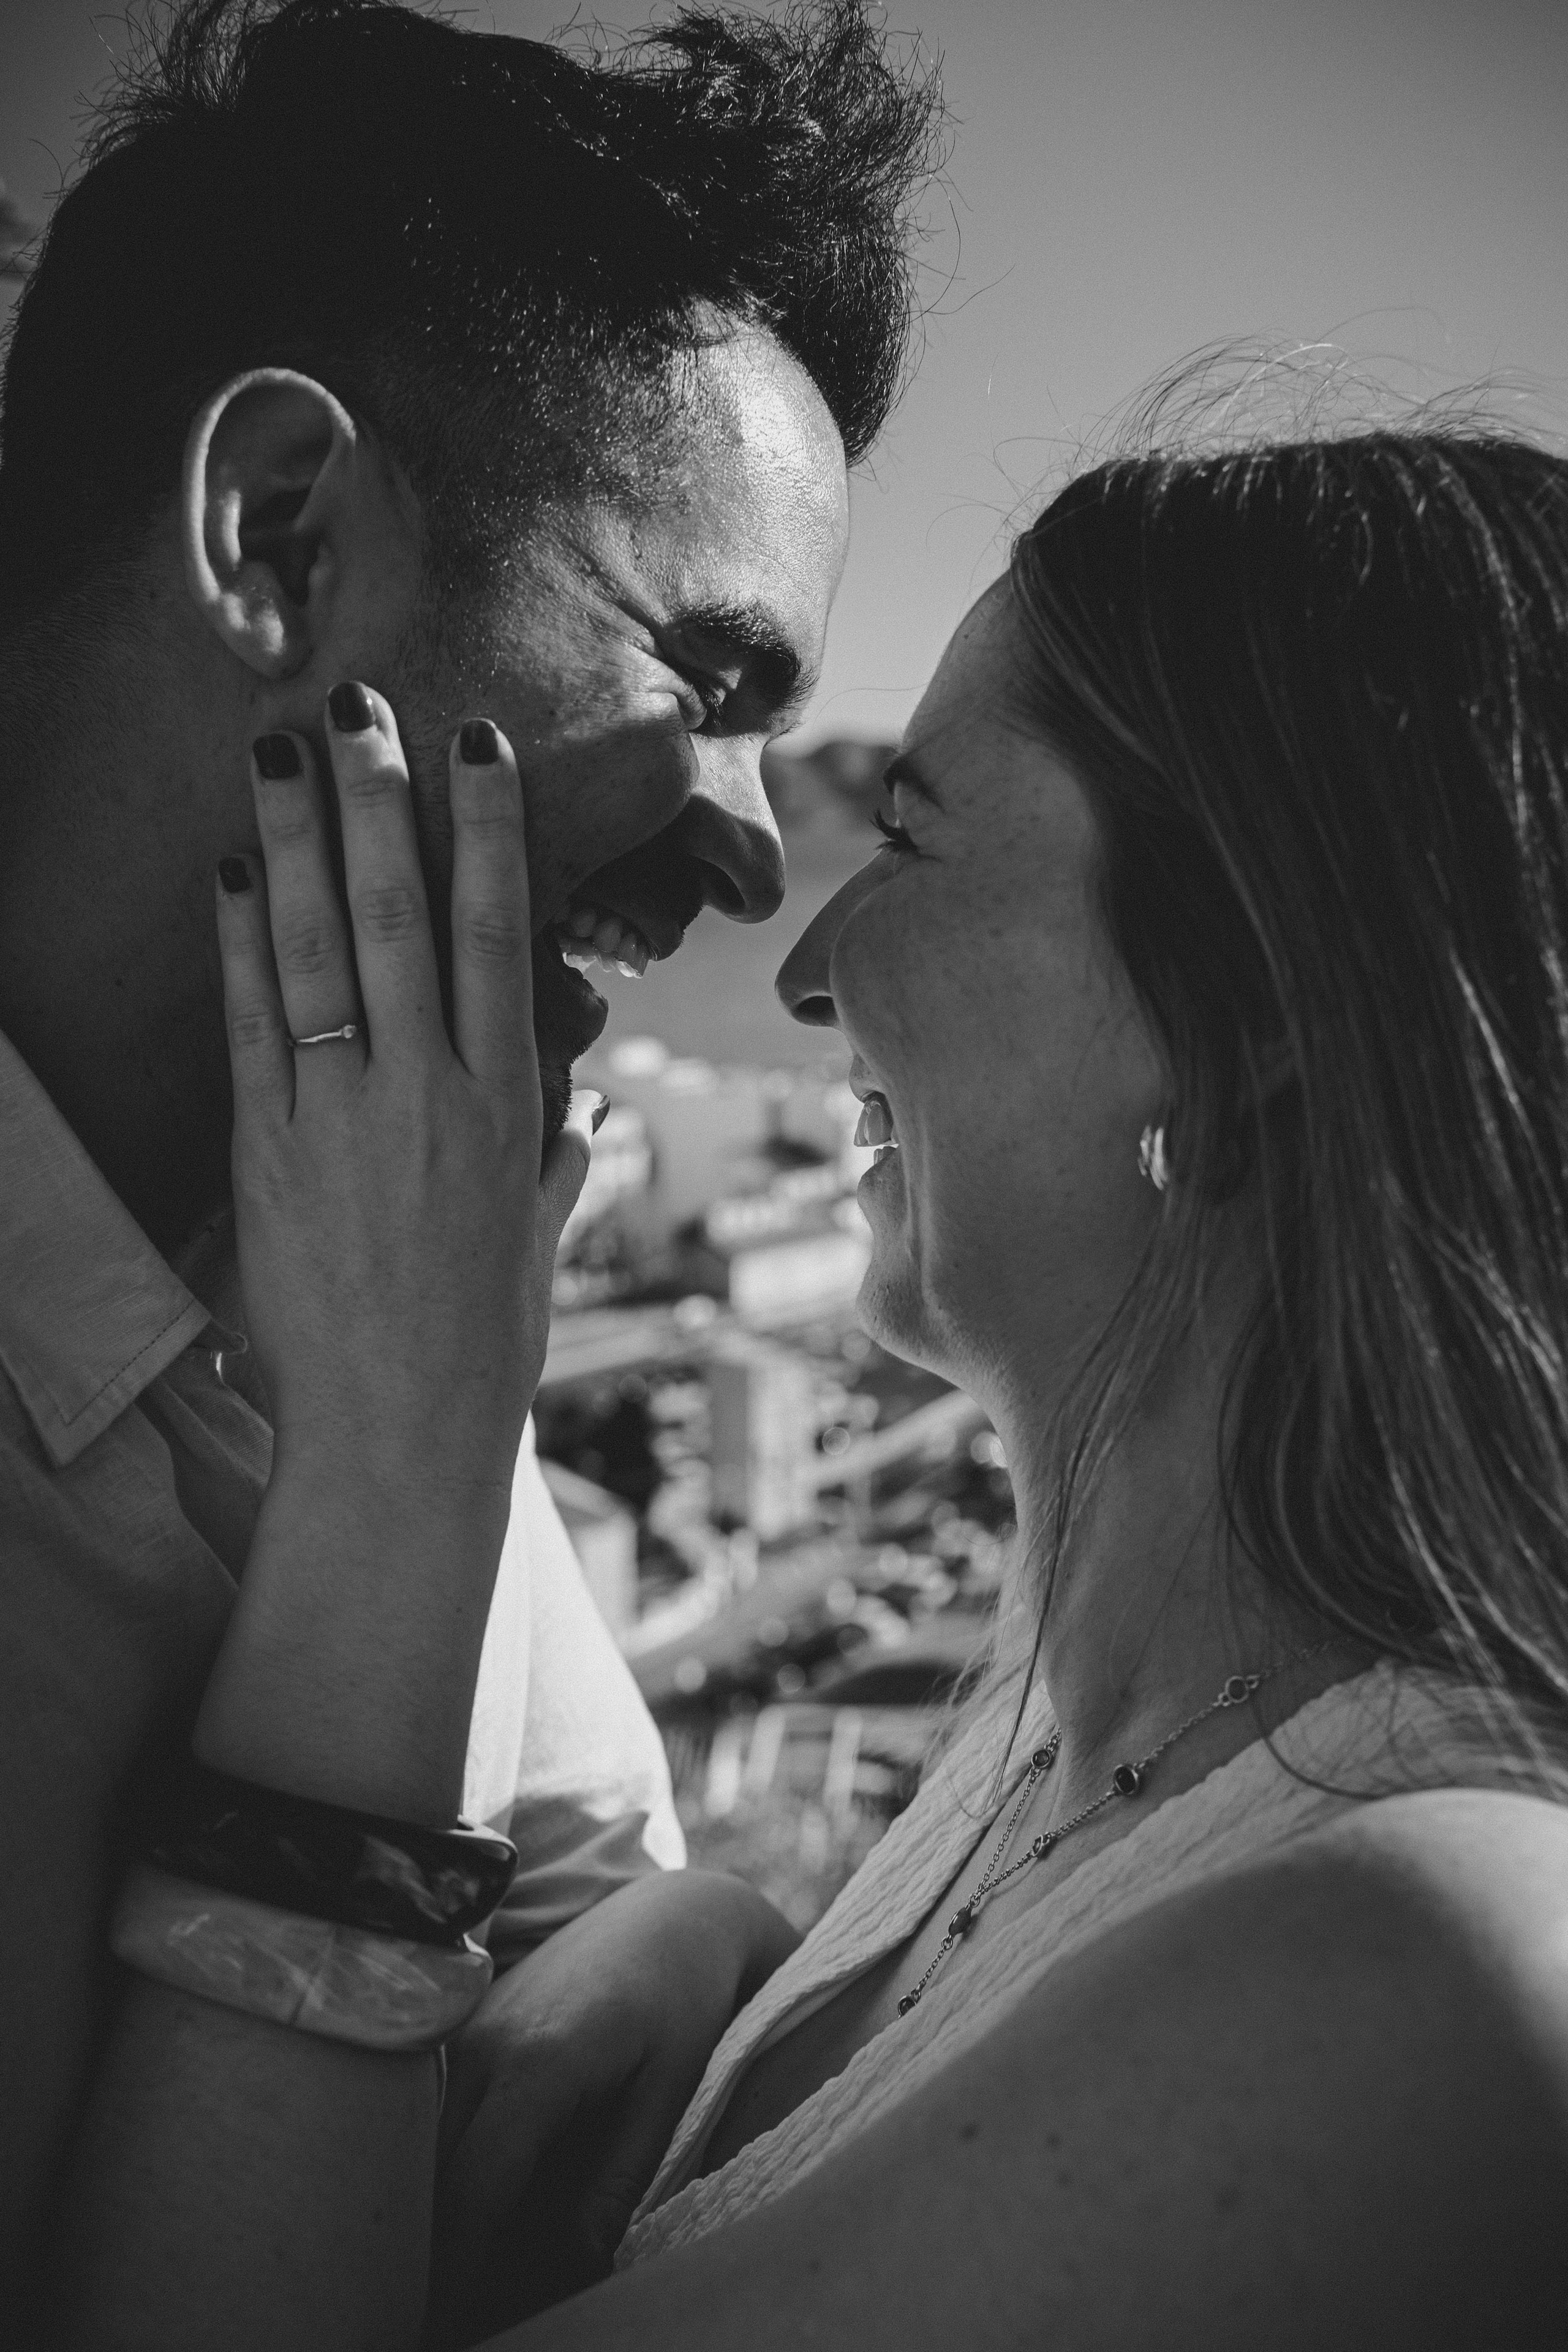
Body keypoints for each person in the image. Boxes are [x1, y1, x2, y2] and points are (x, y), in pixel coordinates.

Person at [420, 423, 1568, 2350]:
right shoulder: (1078, 1732)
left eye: (918, 835)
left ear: (1257, 1004)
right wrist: (720, 1953)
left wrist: (400, 1454)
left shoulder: (1427, 1969)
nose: (810, 964)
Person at [0, 0, 940, 2338]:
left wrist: (677, 1947)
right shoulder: (406, 1345)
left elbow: (603, 1891)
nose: (756, 851)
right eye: (709, 677)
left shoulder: (376, 1260)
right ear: (282, 529)